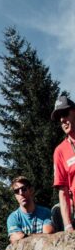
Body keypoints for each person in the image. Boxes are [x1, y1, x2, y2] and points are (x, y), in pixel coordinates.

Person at [6, 176, 54, 243]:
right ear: (15, 196)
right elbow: (15, 240)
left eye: (23, 189)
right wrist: (38, 236)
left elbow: (48, 234)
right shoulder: (13, 218)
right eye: (16, 191)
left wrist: (24, 236)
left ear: (31, 190)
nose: (21, 193)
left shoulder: (45, 212)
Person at [52, 94, 75, 233]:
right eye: (59, 118)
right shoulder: (60, 151)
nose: (62, 119)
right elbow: (63, 192)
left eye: (65, 113)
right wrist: (68, 226)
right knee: (56, 210)